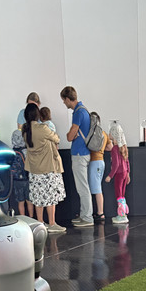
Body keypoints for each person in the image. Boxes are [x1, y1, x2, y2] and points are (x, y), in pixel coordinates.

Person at [23, 103, 66, 233]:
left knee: (38, 197)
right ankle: (52, 224)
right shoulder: (43, 128)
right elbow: (56, 138)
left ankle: (40, 223)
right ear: (37, 114)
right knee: (51, 197)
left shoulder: (25, 130)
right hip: (48, 168)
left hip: (34, 169)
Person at [60, 85, 94, 227]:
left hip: (80, 154)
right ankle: (84, 215)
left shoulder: (78, 112)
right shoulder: (83, 110)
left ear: (68, 99)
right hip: (83, 153)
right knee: (82, 187)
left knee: (82, 187)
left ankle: (87, 218)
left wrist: (70, 134)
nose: (64, 103)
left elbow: (70, 136)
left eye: (64, 100)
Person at [105, 122, 130, 225]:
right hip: (124, 173)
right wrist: (128, 174)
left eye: (110, 133)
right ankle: (123, 215)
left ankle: (121, 216)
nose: (109, 134)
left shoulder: (115, 149)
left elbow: (116, 164)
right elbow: (127, 161)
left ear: (114, 134)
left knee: (118, 194)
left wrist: (110, 176)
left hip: (119, 174)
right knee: (122, 194)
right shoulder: (123, 147)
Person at [87, 111, 109, 222]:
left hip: (94, 162)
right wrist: (102, 149)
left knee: (97, 189)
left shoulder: (91, 133)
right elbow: (110, 147)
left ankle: (100, 213)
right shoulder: (103, 133)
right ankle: (99, 212)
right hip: (101, 161)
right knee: (97, 187)